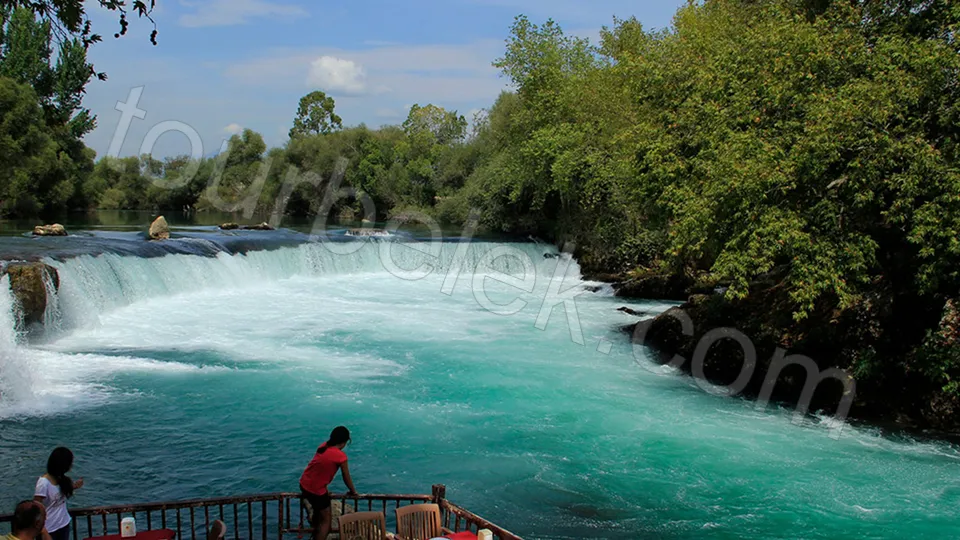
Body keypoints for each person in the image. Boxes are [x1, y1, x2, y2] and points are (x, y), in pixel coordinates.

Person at [299, 426, 358, 540]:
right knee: (326, 521)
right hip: (316, 491)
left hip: (304, 483)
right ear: (344, 442)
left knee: (318, 512)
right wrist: (353, 491)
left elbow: (318, 469)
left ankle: (314, 530)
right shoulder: (340, 456)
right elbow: (346, 477)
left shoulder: (323, 446)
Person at [34, 447, 83, 540]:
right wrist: (42, 530)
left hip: (63, 524)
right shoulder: (43, 483)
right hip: (49, 529)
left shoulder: (60, 479)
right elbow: (36, 507)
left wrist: (74, 486)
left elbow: (58, 493)